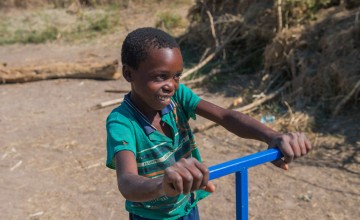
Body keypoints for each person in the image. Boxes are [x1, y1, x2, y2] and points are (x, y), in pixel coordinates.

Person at [106, 27, 312, 220]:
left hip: (187, 205)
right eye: (160, 77)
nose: (171, 85)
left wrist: (271, 135)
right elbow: (127, 182)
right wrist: (163, 184)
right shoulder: (122, 122)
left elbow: (225, 117)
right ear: (128, 74)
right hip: (151, 215)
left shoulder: (178, 98)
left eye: (177, 76)